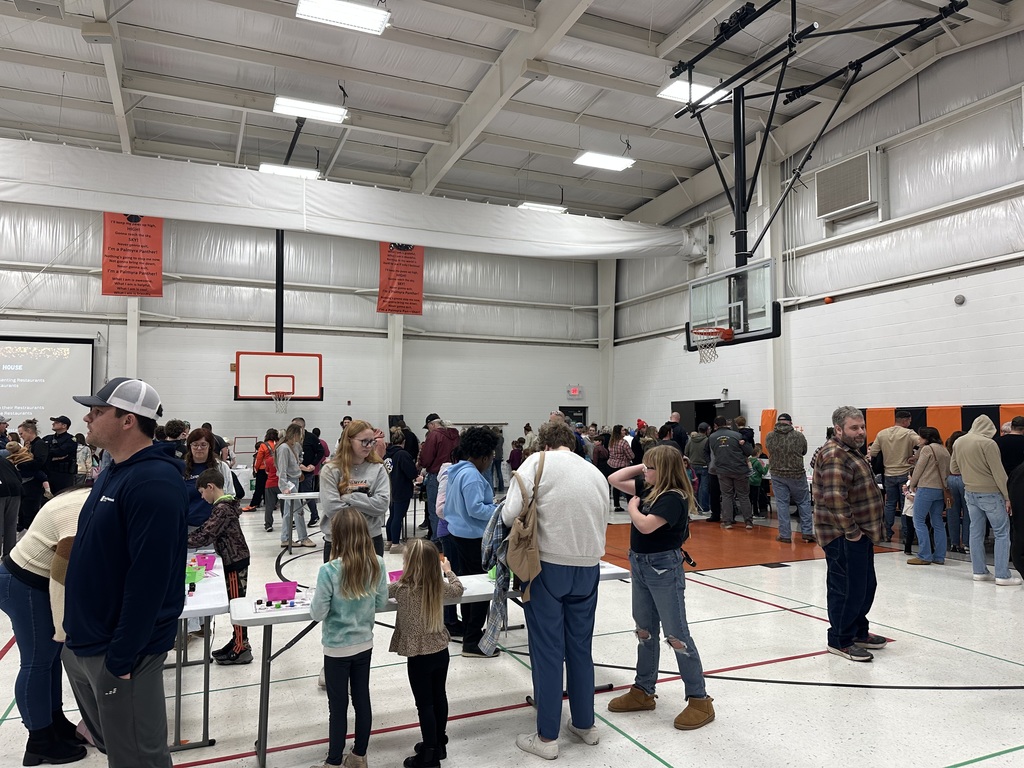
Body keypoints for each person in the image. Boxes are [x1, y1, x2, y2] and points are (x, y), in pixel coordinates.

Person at [63, 377, 188, 767]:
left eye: (98, 412)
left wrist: (121, 658)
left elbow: (149, 580)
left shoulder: (153, 481)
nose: (87, 418)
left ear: (128, 420)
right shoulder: (116, 471)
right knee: (118, 749)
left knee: (138, 757)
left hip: (120, 652)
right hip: (87, 640)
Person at [501, 420, 609, 760]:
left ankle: (546, 737)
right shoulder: (593, 472)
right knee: (580, 646)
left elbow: (509, 515)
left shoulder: (537, 463)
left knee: (548, 650)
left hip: (547, 565)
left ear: (543, 445)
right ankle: (585, 723)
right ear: (574, 444)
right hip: (588, 565)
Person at [606, 445, 715, 730]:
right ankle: (643, 690)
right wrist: (644, 466)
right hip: (640, 564)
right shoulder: (649, 486)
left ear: (663, 471)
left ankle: (699, 699)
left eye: (650, 467)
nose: (644, 471)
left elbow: (645, 525)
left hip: (663, 568)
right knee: (644, 630)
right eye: (644, 467)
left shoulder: (673, 497)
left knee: (677, 634)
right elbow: (614, 479)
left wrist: (631, 506)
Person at [0, 488, 91, 765]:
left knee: (50, 659)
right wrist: (63, 628)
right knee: (37, 662)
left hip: (32, 581)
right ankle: (38, 742)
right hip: (25, 584)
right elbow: (61, 577)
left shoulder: (91, 496)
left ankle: (53, 722)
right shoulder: (80, 514)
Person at [309, 509, 389, 768]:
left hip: (336, 648)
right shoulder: (377, 562)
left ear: (338, 537)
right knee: (361, 698)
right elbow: (381, 602)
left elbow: (318, 612)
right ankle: (359, 755)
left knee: (338, 706)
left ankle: (333, 761)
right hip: (364, 642)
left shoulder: (329, 570)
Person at [811, 406, 887, 662]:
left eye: (862, 426)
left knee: (864, 586)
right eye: (854, 428)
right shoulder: (835, 455)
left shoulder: (850, 451)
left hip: (860, 533)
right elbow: (834, 498)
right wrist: (852, 533)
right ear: (839, 429)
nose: (861, 432)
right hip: (843, 536)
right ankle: (840, 639)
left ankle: (857, 631)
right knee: (845, 589)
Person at [389, 539, 464, 768]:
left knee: (425, 704)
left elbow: (380, 593)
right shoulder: (438, 586)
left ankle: (429, 754)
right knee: (439, 696)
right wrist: (449, 572)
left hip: (418, 656)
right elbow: (458, 589)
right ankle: (439, 743)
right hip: (440, 650)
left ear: (409, 564)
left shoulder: (402, 589)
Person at [443, 426, 499, 658]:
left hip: (458, 534)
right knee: (481, 589)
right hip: (472, 538)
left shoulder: (458, 472)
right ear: (484, 456)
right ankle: (473, 640)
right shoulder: (473, 476)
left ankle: (469, 630)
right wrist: (498, 509)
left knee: (468, 587)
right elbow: (476, 509)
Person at [188, 468, 253, 665]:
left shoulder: (222, 509)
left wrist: (178, 540)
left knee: (236, 604)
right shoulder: (223, 506)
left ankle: (242, 646)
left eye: (201, 492)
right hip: (233, 558)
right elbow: (206, 528)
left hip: (234, 560)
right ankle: (237, 641)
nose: (201, 497)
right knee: (236, 602)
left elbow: (206, 534)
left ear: (210, 487)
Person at [950, 415, 1021, 585]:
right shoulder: (988, 443)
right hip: (991, 493)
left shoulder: (959, 441)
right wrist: (1007, 496)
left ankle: (979, 572)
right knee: (1002, 533)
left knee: (976, 532)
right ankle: (1002, 575)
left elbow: (953, 468)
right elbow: (998, 472)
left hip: (970, 492)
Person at [320, 420, 390, 560]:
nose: (369, 446)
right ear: (349, 441)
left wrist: (349, 498)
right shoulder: (330, 470)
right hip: (338, 540)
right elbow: (332, 509)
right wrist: (367, 503)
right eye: (364, 441)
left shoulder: (378, 468)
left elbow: (382, 505)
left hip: (370, 539)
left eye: (372, 442)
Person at [764, 413, 814, 543]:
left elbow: (769, 449)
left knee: (782, 504)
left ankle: (785, 535)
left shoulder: (770, 436)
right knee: (803, 502)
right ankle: (807, 532)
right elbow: (804, 451)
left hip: (777, 474)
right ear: (790, 423)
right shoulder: (798, 436)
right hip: (796, 473)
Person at [869, 410, 918, 543]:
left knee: (889, 504)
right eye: (909, 421)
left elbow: (873, 452)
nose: (910, 423)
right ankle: (907, 535)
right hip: (904, 473)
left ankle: (887, 533)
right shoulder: (909, 433)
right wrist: (915, 457)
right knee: (905, 505)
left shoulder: (882, 433)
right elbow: (924, 445)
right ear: (905, 420)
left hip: (888, 474)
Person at [905, 427, 950, 566]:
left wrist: (912, 484)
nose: (919, 440)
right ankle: (939, 556)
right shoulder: (944, 450)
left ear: (926, 438)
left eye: (920, 437)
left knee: (918, 520)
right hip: (940, 489)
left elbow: (919, 468)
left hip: (926, 488)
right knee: (937, 522)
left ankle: (924, 555)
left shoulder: (927, 449)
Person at [417, 414, 459, 543]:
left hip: (436, 476)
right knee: (453, 509)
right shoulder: (456, 435)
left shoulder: (434, 435)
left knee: (436, 510)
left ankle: (437, 540)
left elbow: (427, 457)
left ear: (432, 425)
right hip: (455, 474)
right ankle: (449, 538)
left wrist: (421, 464)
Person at [182, 427, 233, 531]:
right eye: (195, 444)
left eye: (203, 445)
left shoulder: (221, 467)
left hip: (215, 527)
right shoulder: (181, 469)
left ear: (210, 446)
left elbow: (230, 495)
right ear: (189, 446)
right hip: (187, 526)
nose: (199, 448)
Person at [710, 416, 754, 529]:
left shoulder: (712, 437)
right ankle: (748, 522)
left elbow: (713, 452)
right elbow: (749, 451)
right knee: (743, 495)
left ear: (715, 426)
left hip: (722, 470)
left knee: (726, 496)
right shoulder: (737, 435)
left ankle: (727, 522)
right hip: (739, 469)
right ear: (726, 424)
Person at [276, 423, 315, 548]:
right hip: (288, 482)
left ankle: (285, 538)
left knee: (289, 511)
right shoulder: (283, 448)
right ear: (295, 434)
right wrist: (284, 487)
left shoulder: (296, 446)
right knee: (298, 510)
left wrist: (304, 469)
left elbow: (298, 460)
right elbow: (282, 469)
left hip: (296, 479)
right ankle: (303, 537)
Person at [385, 426, 419, 553]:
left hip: (390, 489)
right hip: (401, 489)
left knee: (392, 516)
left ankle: (389, 541)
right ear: (403, 442)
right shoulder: (403, 454)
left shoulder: (387, 454)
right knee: (398, 517)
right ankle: (395, 544)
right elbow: (411, 472)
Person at [15, 418, 49, 531]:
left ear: (29, 431)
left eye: (22, 433)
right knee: (23, 510)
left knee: (30, 511)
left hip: (34, 483)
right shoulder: (28, 445)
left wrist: (21, 465)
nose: (21, 436)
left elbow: (39, 462)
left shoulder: (40, 444)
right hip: (26, 481)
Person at [291, 417, 324, 526]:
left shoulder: (311, 437)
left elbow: (321, 452)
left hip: (306, 472)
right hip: (294, 472)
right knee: (295, 495)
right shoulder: (292, 439)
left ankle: (314, 515)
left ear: (301, 427)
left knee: (307, 493)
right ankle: (297, 517)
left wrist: (313, 465)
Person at [944, 430, 968, 554]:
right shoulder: (967, 450)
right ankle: (966, 543)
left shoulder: (948, 451)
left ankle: (954, 543)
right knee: (968, 513)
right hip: (965, 479)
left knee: (951, 512)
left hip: (950, 480)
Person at [244, 427, 278, 513]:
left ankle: (253, 505)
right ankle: (272, 504)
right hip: (274, 469)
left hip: (263, 469)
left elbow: (259, 458)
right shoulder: (278, 445)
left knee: (259, 488)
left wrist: (256, 468)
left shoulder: (263, 445)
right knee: (270, 488)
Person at [43, 416, 77, 495]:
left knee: (62, 496)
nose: (53, 424)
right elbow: (41, 451)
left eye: (56, 422)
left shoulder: (70, 439)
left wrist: (49, 453)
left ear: (64, 426)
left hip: (63, 475)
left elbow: (60, 452)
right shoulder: (48, 438)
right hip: (48, 473)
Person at [0, 451, 24, 556]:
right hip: (16, 491)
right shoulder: (5, 461)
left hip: (1, 492)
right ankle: (9, 555)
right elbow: (18, 477)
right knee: (11, 524)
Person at [684, 423, 711, 514]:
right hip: (704, 466)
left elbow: (686, 452)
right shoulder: (707, 440)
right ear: (706, 430)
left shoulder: (691, 440)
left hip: (692, 466)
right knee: (704, 487)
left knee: (694, 487)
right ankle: (704, 508)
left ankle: (694, 506)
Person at [608, 424, 634, 511]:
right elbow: (631, 455)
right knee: (626, 486)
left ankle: (616, 505)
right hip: (623, 466)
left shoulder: (611, 442)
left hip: (612, 465)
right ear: (619, 432)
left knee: (616, 486)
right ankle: (630, 504)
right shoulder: (624, 442)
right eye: (623, 430)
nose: (624, 431)